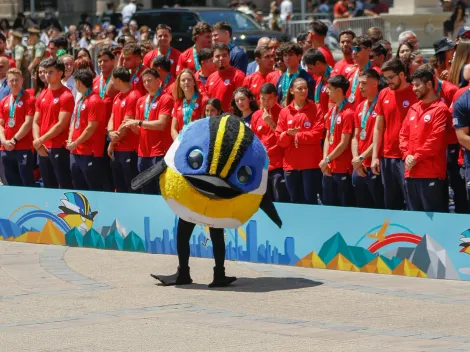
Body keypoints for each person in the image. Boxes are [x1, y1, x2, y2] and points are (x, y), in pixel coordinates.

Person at [399, 67, 448, 212]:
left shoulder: (440, 109)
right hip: (411, 173)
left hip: (430, 174)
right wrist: (407, 154)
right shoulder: (413, 108)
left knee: (434, 224)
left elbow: (435, 140)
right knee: (415, 221)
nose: (414, 89)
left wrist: (416, 157)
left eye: (417, 84)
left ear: (429, 84)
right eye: (413, 85)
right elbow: (403, 135)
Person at [371, 58, 417, 210]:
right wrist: (375, 156)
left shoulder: (414, 93)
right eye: (385, 78)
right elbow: (378, 127)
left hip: (407, 158)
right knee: (391, 205)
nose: (388, 81)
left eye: (391, 77)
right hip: (387, 158)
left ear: (402, 75)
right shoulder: (384, 93)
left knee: (411, 201)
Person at [121, 68, 174, 195]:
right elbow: (140, 131)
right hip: (143, 153)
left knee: (160, 191)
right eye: (144, 81)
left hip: (159, 152)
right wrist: (132, 127)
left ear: (158, 81)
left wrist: (137, 122)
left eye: (149, 80)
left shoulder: (166, 98)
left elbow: (161, 124)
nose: (146, 84)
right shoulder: (141, 101)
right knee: (146, 191)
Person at [276, 77, 323, 204]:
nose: (304, 91)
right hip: (291, 165)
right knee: (295, 201)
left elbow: (317, 134)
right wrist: (287, 134)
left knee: (310, 201)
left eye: (306, 88)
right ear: (292, 91)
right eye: (300, 88)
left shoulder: (315, 108)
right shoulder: (285, 112)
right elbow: (280, 140)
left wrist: (296, 136)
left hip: (311, 164)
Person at [32, 58, 75, 189]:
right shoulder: (43, 94)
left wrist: (39, 140)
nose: (46, 75)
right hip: (43, 148)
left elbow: (61, 125)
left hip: (58, 147)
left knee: (63, 185)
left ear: (60, 73)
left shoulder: (66, 95)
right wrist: (37, 142)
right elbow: (35, 121)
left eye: (50, 72)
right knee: (47, 186)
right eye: (45, 72)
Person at [67, 69, 106, 191]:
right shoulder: (81, 99)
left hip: (90, 152)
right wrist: (70, 139)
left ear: (78, 82)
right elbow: (75, 121)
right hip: (76, 150)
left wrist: (75, 142)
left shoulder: (94, 100)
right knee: (79, 187)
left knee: (93, 188)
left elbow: (91, 127)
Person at [320, 75, 355, 206]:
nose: (327, 91)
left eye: (330, 88)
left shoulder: (349, 112)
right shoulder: (332, 111)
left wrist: (327, 159)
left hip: (342, 167)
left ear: (339, 91)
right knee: (329, 205)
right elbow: (328, 138)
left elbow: (344, 143)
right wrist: (325, 162)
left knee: (344, 206)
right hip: (328, 167)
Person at [351, 69, 384, 208]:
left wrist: (362, 157)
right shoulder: (360, 107)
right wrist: (356, 158)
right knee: (362, 206)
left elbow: (380, 135)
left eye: (364, 83)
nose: (360, 87)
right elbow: (355, 136)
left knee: (378, 206)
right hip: (359, 165)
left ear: (375, 83)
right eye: (359, 84)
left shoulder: (381, 105)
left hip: (374, 164)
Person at [107, 66, 142, 193]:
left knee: (131, 187)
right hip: (118, 148)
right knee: (120, 187)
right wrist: (110, 132)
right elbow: (111, 117)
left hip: (129, 149)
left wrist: (112, 142)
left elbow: (126, 124)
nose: (111, 83)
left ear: (118, 80)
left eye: (112, 80)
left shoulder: (133, 95)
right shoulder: (117, 97)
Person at [251, 83, 287, 202]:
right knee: (266, 201)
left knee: (280, 200)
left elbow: (284, 138)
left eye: (270, 98)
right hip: (262, 166)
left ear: (276, 98)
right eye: (263, 98)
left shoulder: (283, 113)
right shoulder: (256, 115)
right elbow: (254, 140)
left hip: (278, 164)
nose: (266, 102)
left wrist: (271, 123)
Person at [0, 68, 35, 186]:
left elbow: (28, 123)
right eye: (11, 81)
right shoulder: (4, 101)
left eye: (16, 80)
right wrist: (4, 141)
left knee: (26, 183)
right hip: (6, 148)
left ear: (22, 80)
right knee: (10, 184)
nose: (14, 83)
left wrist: (14, 140)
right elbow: (1, 124)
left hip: (23, 147)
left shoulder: (29, 99)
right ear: (7, 82)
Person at [206, 43, 245, 113]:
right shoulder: (210, 78)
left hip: (231, 120)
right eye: (217, 56)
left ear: (229, 57)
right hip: (213, 120)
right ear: (213, 59)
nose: (221, 58)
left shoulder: (238, 76)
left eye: (224, 55)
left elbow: (243, 102)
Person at [171, 68, 208, 140]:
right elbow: (173, 128)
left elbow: (206, 126)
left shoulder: (203, 100)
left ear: (194, 82)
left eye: (189, 79)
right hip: (181, 142)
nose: (186, 82)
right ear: (179, 84)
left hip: (197, 142)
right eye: (183, 80)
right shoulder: (178, 102)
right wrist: (179, 142)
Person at [346, 35, 380, 111]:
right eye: (352, 49)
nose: (354, 52)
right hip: (351, 116)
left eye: (357, 49)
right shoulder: (351, 72)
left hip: (368, 116)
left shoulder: (376, 72)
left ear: (368, 50)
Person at [302, 48, 333, 120]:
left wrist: (320, 123)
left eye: (310, 68)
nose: (309, 71)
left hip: (329, 125)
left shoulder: (334, 79)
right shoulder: (319, 80)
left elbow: (334, 108)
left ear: (318, 63)